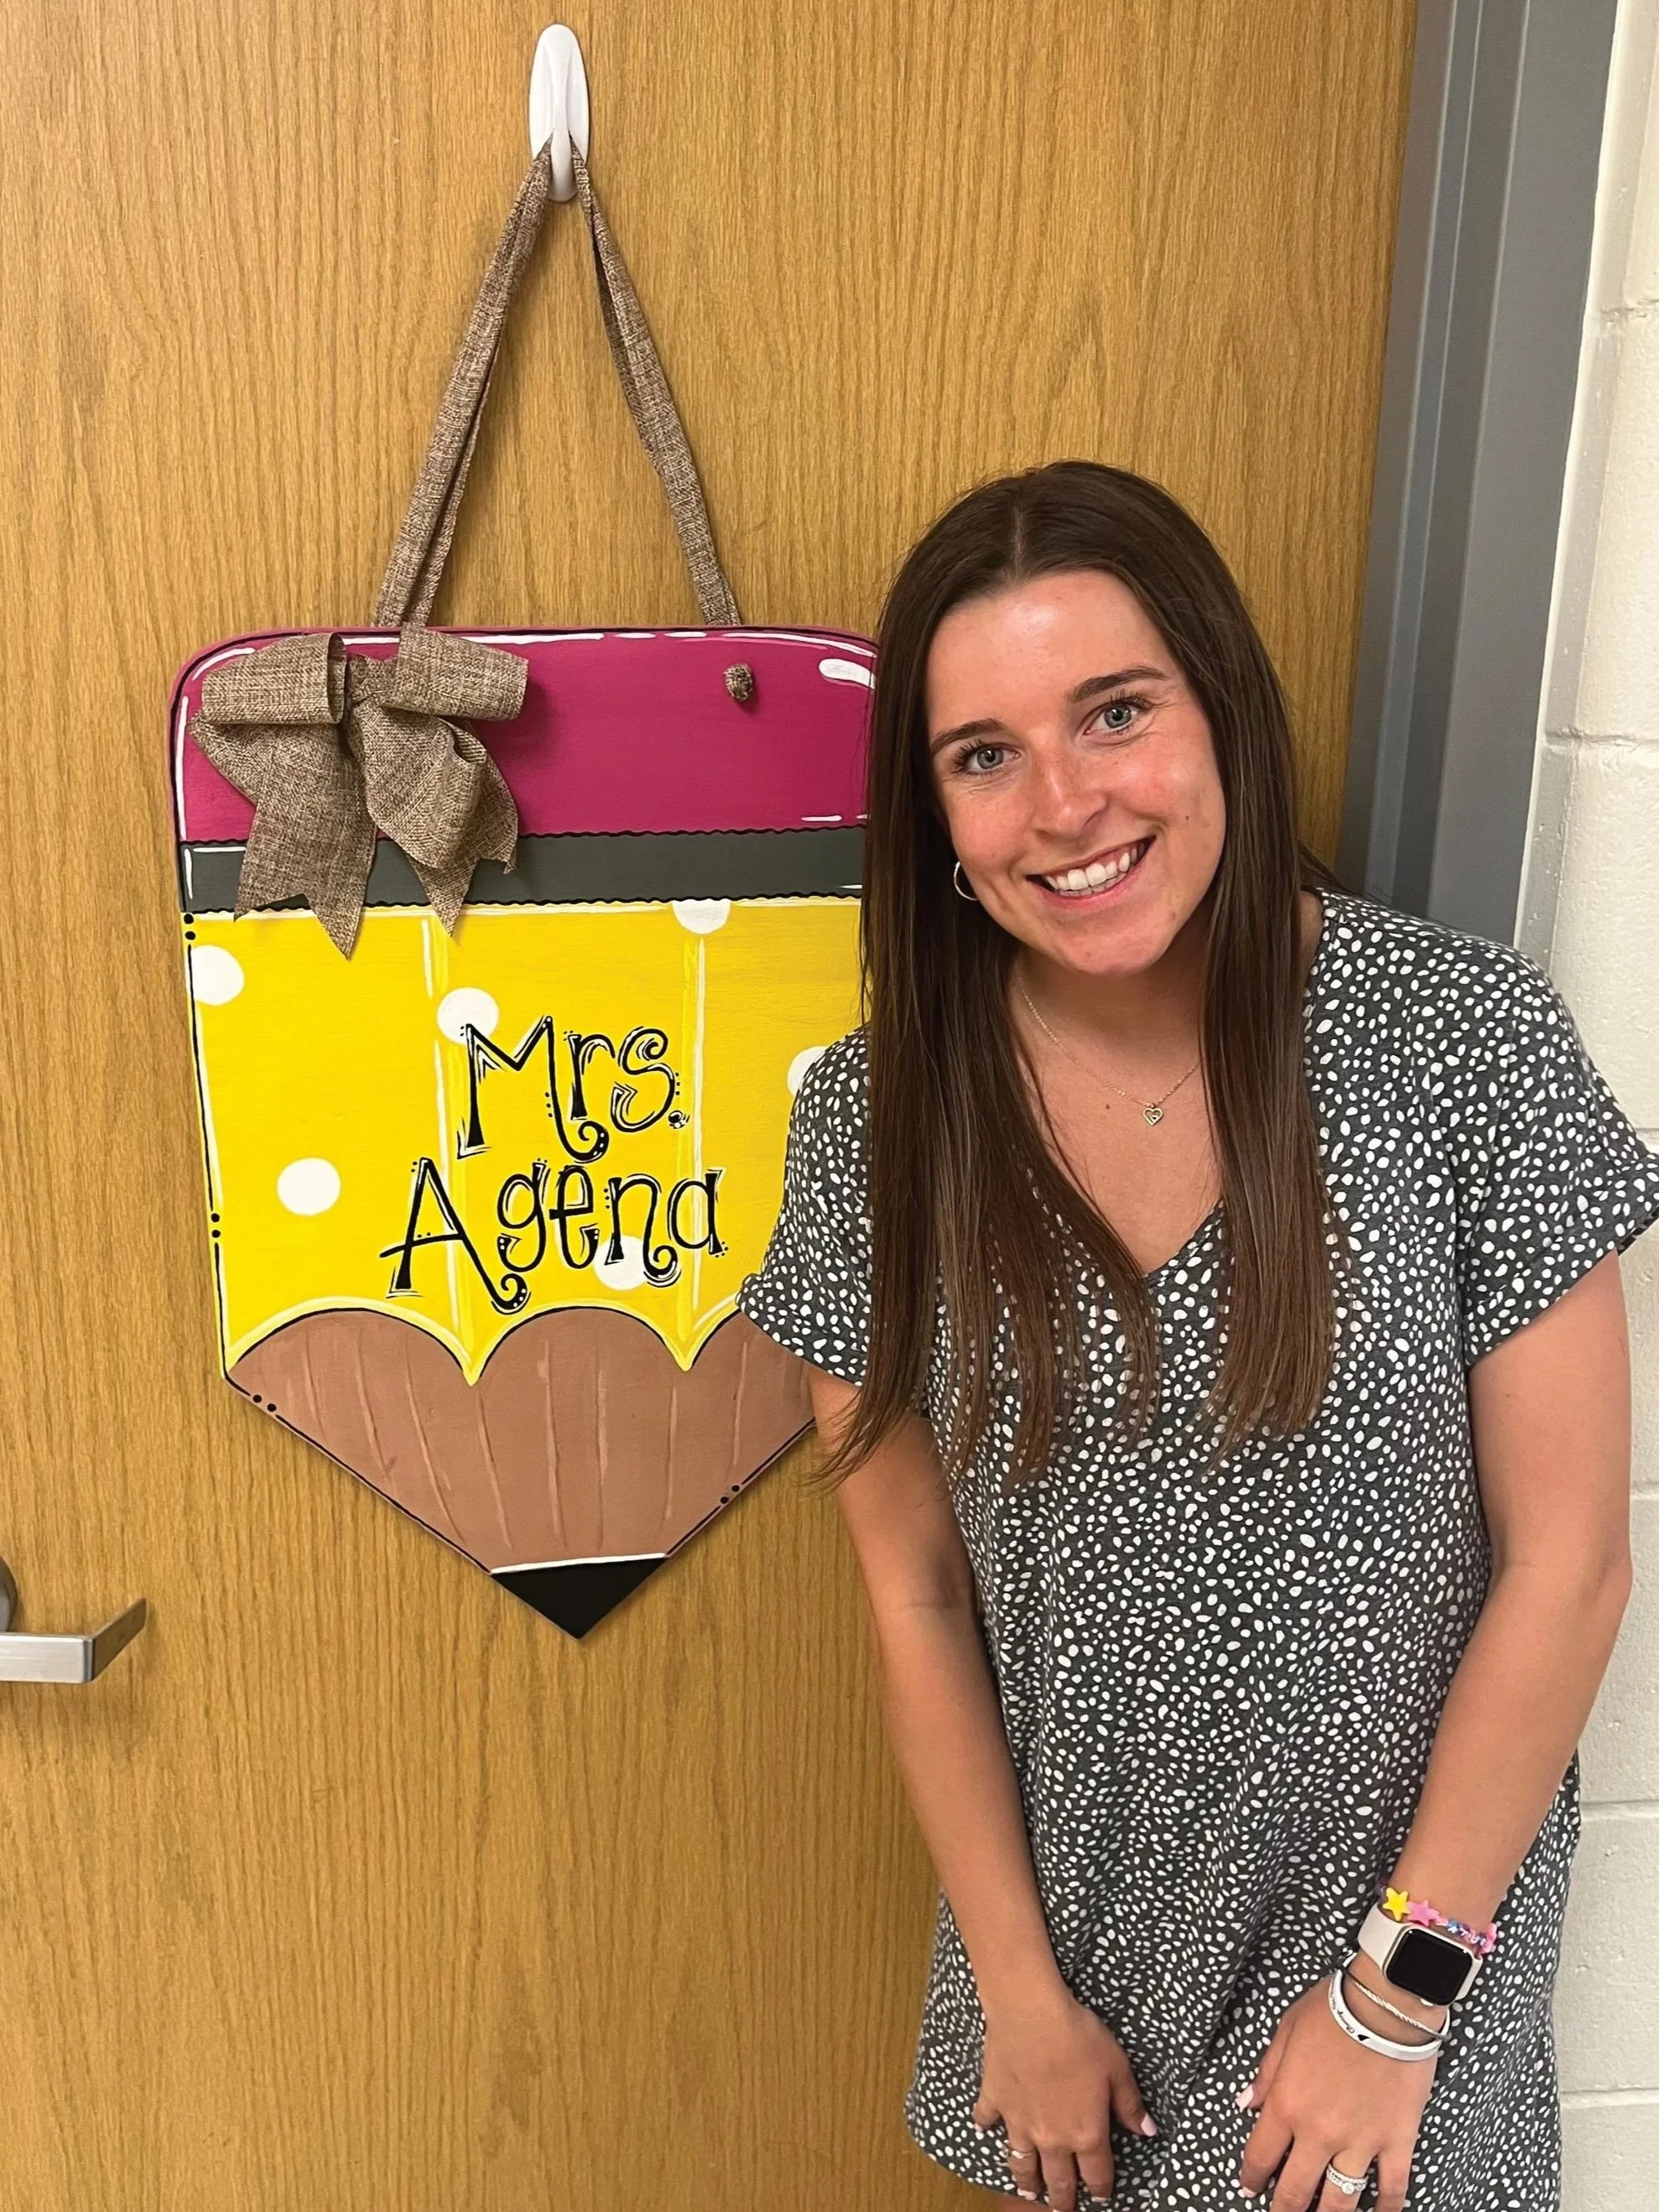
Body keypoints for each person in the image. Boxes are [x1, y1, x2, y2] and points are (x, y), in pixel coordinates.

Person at [735, 461, 1659, 2212]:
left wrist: (1393, 2004)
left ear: (1217, 707)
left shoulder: (1458, 1046)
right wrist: (1015, 1993)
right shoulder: (877, 1126)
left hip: (1404, 2009)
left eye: (1114, 713)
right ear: (929, 816)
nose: (1066, 804)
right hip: (1075, 2026)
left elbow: (1568, 1568)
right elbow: (915, 1587)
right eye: (983, 754)